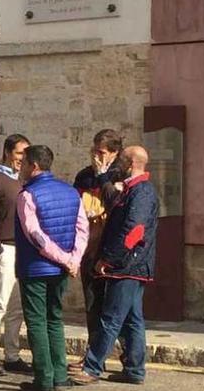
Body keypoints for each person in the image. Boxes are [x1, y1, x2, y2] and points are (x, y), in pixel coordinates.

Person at [71, 146, 159, 386]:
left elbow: (134, 231)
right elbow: (113, 202)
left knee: (110, 318)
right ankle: (134, 369)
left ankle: (92, 367)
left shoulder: (141, 192)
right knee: (132, 319)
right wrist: (103, 178)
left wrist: (108, 260)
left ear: (130, 164)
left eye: (120, 160)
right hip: (131, 266)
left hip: (127, 267)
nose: (116, 163)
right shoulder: (131, 190)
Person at [15, 145, 88, 391]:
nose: (20, 167)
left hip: (35, 268)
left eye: (23, 162)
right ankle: (59, 376)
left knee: (36, 321)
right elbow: (82, 230)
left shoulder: (27, 196)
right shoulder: (71, 192)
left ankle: (44, 379)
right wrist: (73, 259)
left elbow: (36, 236)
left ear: (34, 166)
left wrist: (65, 259)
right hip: (61, 269)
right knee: (55, 319)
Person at [70, 129, 125, 371]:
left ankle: (126, 357)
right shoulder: (84, 176)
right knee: (92, 304)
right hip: (89, 248)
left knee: (115, 308)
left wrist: (103, 177)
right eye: (94, 150)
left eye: (101, 152)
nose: (96, 156)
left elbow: (116, 204)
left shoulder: (119, 175)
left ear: (114, 153)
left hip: (111, 250)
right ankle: (94, 356)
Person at [0, 134, 32, 376]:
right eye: (19, 153)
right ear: (7, 152)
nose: (22, 159)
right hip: (4, 248)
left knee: (17, 307)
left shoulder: (24, 180)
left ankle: (12, 355)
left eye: (26, 154)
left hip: (23, 250)